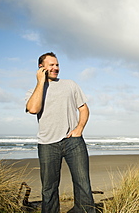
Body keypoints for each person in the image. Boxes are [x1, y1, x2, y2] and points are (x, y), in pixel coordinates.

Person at [25, 52, 95, 213]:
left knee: (83, 184)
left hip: (73, 142)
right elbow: (34, 109)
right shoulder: (33, 91)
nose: (56, 68)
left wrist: (79, 129)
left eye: (57, 65)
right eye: (51, 65)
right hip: (47, 144)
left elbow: (83, 109)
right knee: (49, 188)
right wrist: (40, 82)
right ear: (41, 67)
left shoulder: (70, 84)